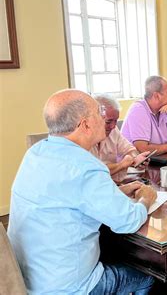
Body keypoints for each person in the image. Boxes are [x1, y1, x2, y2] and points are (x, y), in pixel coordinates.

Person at [7, 89, 157, 294]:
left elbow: (68, 197)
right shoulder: (86, 166)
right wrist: (145, 199)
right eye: (98, 113)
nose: (103, 119)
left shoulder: (36, 153)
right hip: (70, 287)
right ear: (85, 124)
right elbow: (128, 221)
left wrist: (119, 191)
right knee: (149, 275)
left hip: (28, 278)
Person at [122, 76, 167, 154]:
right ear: (156, 96)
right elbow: (142, 149)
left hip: (159, 160)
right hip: (135, 164)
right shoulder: (138, 110)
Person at [91, 94, 150, 181]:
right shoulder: (82, 139)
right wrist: (122, 164)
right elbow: (95, 173)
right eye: (108, 122)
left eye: (116, 121)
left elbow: (129, 149)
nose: (113, 126)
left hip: (114, 184)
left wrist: (135, 159)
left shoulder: (113, 131)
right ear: (94, 119)